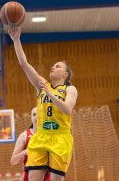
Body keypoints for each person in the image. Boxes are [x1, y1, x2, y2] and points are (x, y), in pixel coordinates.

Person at [8, 27, 78, 181]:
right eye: (53, 65)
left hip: (60, 138)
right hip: (41, 136)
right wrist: (16, 40)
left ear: (65, 74)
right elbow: (24, 64)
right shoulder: (42, 85)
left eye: (58, 66)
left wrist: (50, 93)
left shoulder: (69, 89)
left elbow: (67, 109)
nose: (53, 67)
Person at [10, 107, 50, 181]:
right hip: (29, 176)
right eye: (34, 115)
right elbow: (13, 161)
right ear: (31, 117)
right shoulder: (24, 135)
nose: (36, 117)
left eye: (39, 114)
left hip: (48, 176)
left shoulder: (50, 135)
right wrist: (25, 152)